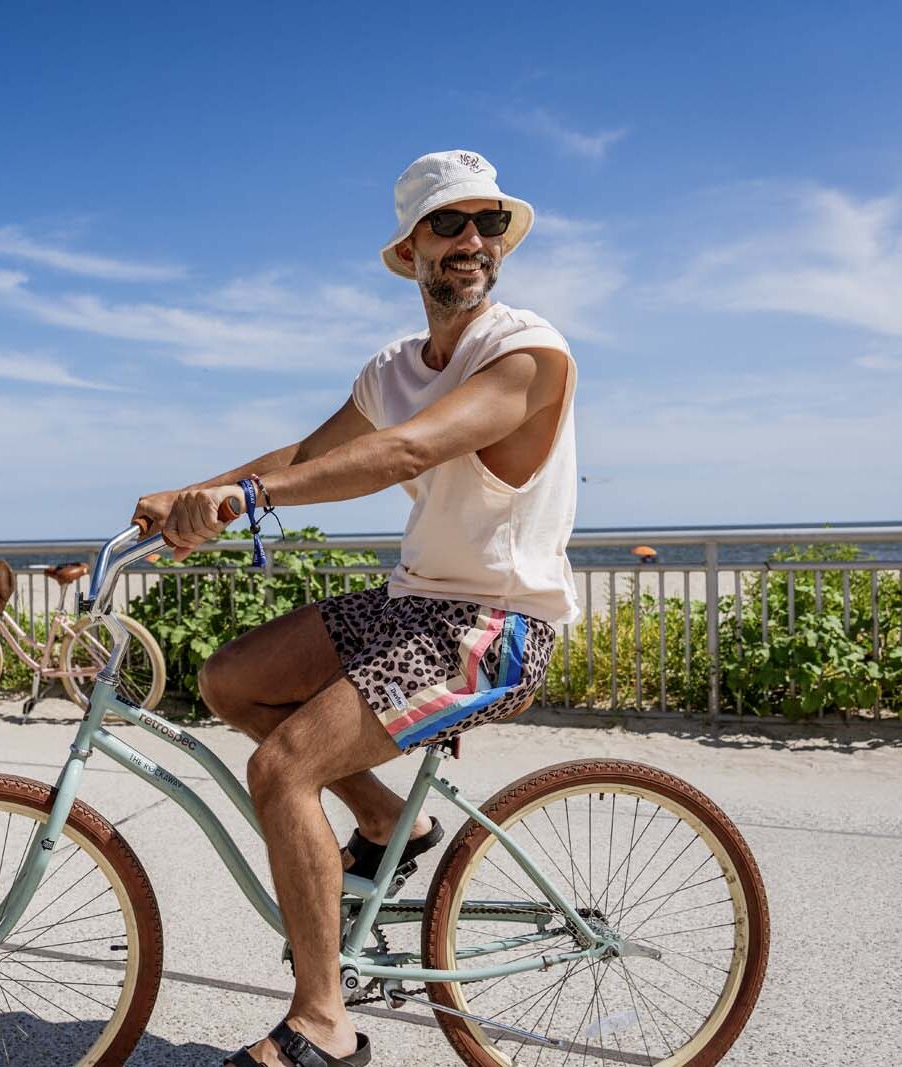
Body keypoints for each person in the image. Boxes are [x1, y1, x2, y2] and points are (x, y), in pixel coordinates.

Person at [134, 150, 579, 1067]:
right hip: (412, 604)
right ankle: (389, 820)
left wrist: (250, 504)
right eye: (449, 224)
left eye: (488, 223)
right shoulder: (394, 366)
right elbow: (308, 450)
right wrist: (195, 491)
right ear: (410, 248)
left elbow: (404, 454)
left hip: (491, 626)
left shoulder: (527, 353)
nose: (471, 242)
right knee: (230, 681)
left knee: (283, 769)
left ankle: (325, 1023)